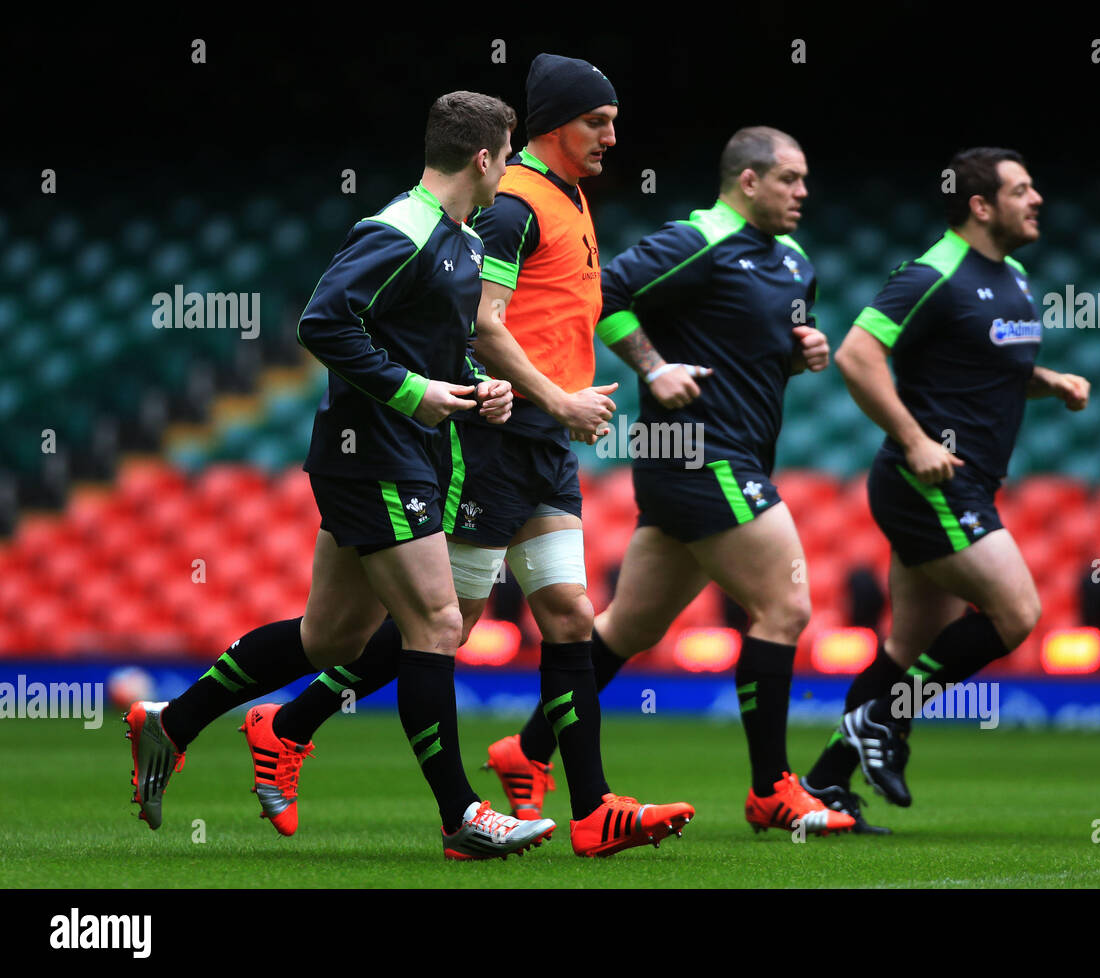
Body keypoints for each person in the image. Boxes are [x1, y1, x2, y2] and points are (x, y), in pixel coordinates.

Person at [251, 54, 693, 858]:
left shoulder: (566, 199)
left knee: (564, 616)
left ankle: (591, 809)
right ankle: (289, 724)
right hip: (492, 438)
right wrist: (551, 397)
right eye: (599, 121)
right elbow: (483, 324)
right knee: (440, 627)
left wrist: (584, 396)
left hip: (543, 444)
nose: (613, 136)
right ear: (554, 125)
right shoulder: (509, 207)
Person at [125, 91, 557, 860]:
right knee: (437, 625)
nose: (515, 165)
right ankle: (462, 815)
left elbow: (419, 343)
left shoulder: (459, 239)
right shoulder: (404, 227)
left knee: (330, 639)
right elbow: (321, 321)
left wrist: (469, 388)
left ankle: (173, 721)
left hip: (400, 451)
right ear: (485, 158)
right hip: (375, 453)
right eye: (510, 152)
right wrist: (412, 392)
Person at [483, 126, 874, 837]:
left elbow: (756, 346)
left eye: (805, 179)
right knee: (785, 606)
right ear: (748, 181)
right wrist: (653, 367)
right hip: (699, 454)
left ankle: (527, 748)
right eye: (789, 178)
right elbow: (609, 293)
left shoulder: (791, 262)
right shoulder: (697, 240)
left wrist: (800, 350)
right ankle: (771, 790)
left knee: (630, 626)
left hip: (728, 457)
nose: (803, 193)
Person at [801, 147, 1090, 812]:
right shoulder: (934, 272)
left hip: (968, 481)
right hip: (926, 481)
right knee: (1017, 614)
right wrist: (914, 440)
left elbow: (987, 363)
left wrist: (1050, 381)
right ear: (980, 206)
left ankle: (825, 782)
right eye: (1022, 189)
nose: (1037, 198)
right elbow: (856, 354)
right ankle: (885, 720)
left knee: (910, 646)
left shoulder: (1013, 273)